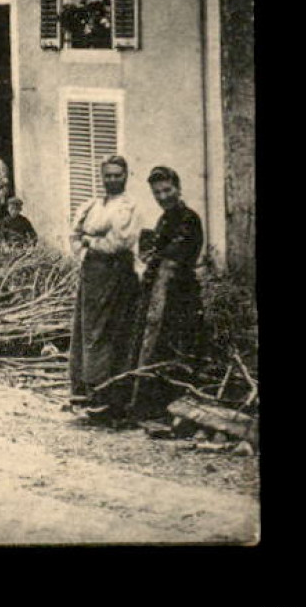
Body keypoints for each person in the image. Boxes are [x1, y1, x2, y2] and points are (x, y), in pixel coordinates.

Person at [68, 155, 144, 425]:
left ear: (126, 176)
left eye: (117, 175)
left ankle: (110, 399)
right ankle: (88, 393)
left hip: (117, 276)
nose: (112, 179)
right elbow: (74, 237)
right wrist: (88, 243)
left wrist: (91, 240)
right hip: (92, 274)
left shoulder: (129, 207)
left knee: (111, 332)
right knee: (88, 332)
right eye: (108, 175)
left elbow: (119, 243)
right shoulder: (91, 205)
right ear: (102, 177)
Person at [129, 166, 207, 423]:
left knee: (177, 349)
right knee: (155, 348)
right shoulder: (164, 220)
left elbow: (175, 256)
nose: (163, 196)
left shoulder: (189, 219)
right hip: (159, 294)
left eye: (167, 190)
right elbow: (153, 253)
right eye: (157, 192)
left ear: (178, 188)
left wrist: (154, 258)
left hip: (180, 296)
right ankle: (152, 409)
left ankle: (177, 410)